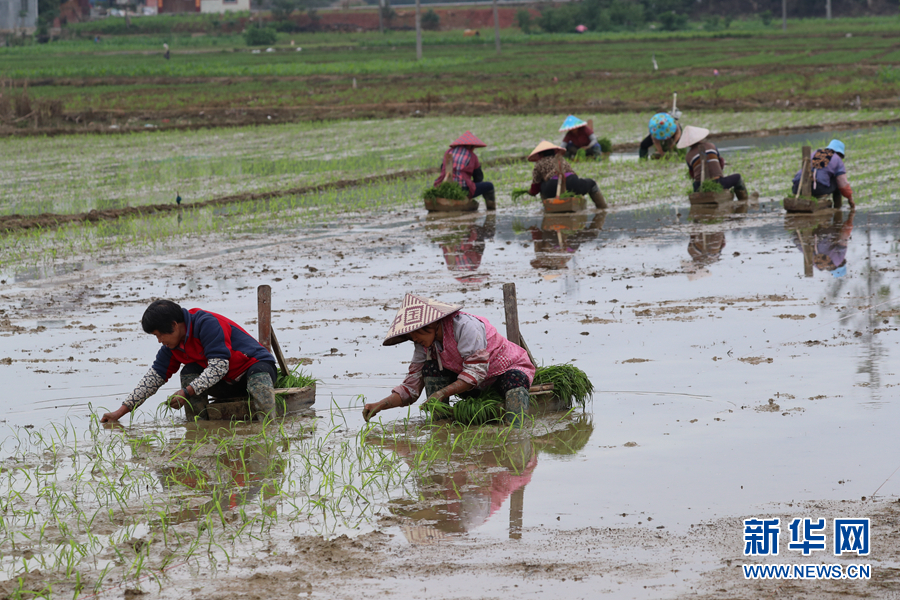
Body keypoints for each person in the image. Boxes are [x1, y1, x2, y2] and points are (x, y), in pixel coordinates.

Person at [362, 294, 535, 426]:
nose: (413, 340)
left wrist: (442, 393)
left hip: (502, 372)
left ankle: (517, 432)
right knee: (430, 368)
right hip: (473, 384)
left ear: (429, 325)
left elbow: (476, 371)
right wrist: (380, 405)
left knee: (514, 380)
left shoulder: (465, 326)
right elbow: (411, 388)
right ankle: (442, 426)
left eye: (414, 334)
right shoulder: (424, 346)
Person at [100, 300, 278, 423]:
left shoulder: (207, 324)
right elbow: (152, 379)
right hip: (226, 384)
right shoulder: (172, 347)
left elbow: (219, 367)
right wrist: (120, 412)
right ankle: (198, 426)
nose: (159, 340)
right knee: (189, 371)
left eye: (159, 334)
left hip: (253, 371)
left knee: (258, 372)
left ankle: (268, 428)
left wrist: (186, 392)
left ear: (174, 325)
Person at [525, 140, 607, 209]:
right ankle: (602, 207)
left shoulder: (538, 164)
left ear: (540, 154)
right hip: (572, 182)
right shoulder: (561, 160)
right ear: (554, 151)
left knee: (541, 185)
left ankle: (549, 208)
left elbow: (535, 188)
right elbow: (573, 173)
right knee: (592, 183)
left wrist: (529, 192)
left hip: (552, 188)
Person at [677, 125, 749, 200]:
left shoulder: (688, 156)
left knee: (695, 184)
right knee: (738, 177)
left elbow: (692, 174)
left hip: (700, 186)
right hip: (718, 182)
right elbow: (721, 163)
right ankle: (744, 200)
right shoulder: (711, 146)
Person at [434, 131, 496, 210]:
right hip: (462, 189)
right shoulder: (472, 156)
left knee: (437, 180)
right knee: (489, 186)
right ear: (471, 146)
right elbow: (479, 177)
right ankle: (491, 210)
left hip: (443, 186)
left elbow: (443, 168)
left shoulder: (448, 152)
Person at [791, 139, 855, 209]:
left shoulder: (815, 153)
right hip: (817, 188)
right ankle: (837, 207)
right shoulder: (837, 159)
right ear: (839, 153)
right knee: (837, 180)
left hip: (797, 187)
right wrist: (850, 199)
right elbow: (843, 184)